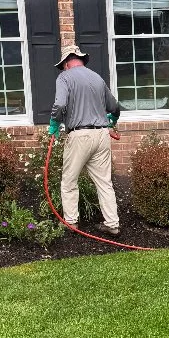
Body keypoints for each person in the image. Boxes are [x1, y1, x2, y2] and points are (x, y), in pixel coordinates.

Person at [49, 45, 122, 235]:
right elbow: (114, 106)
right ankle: (112, 224)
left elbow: (60, 103)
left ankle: (71, 223)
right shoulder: (97, 78)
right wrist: (111, 120)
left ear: (65, 63)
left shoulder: (64, 77)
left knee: (69, 181)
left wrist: (54, 123)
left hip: (79, 136)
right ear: (81, 60)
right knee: (104, 182)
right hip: (102, 135)